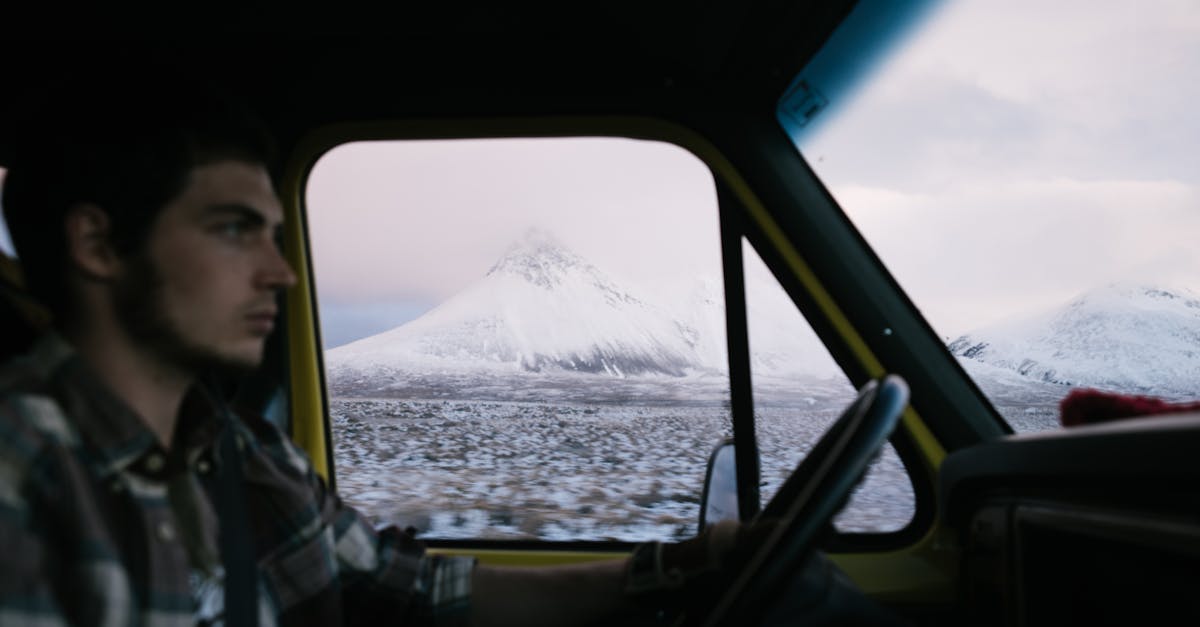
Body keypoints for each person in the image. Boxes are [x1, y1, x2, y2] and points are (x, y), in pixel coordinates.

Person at [0, 77, 766, 626]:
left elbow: (417, 591)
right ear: (99, 244)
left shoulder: (245, 456)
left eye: (275, 234)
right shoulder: (22, 478)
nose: (281, 272)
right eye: (234, 229)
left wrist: (678, 565)